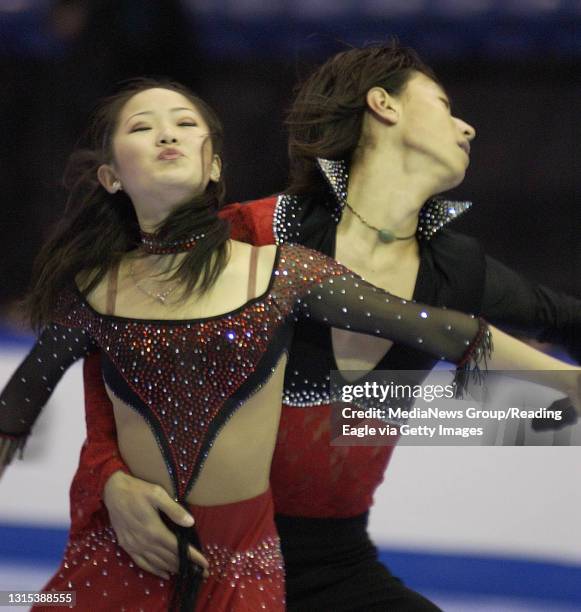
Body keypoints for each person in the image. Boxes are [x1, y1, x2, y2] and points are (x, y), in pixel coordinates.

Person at [1, 71, 576, 611]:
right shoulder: (236, 236)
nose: (166, 135)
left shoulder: (322, 271)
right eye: (142, 127)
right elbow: (61, 396)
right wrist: (109, 481)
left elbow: (468, 334)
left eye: (182, 123)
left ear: (215, 166)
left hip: (288, 561)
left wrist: (566, 393)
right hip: (132, 554)